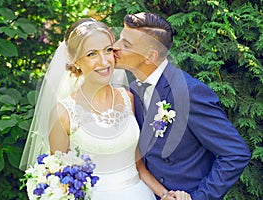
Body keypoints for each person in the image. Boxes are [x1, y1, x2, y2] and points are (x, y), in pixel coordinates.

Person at [19, 18, 191, 200]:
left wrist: (166, 194)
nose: (104, 61)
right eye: (92, 54)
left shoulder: (128, 98)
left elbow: (138, 166)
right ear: (76, 61)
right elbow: (60, 179)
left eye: (108, 50)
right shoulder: (63, 113)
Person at [114, 12, 251, 200]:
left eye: (126, 44)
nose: (115, 47)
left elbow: (236, 153)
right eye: (119, 38)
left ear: (150, 56)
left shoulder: (190, 92)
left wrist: (198, 197)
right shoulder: (131, 91)